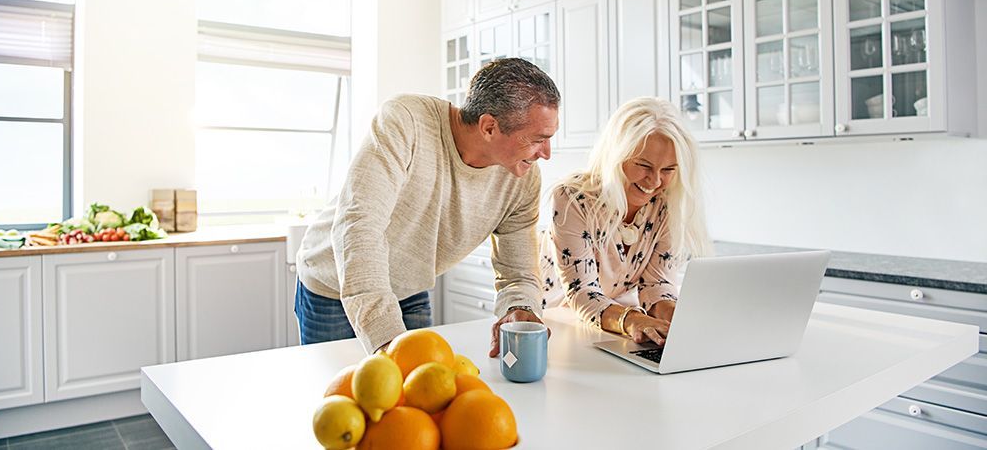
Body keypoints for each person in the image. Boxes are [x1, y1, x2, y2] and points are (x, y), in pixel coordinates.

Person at [295, 58, 560, 356]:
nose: (547, 153)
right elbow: (359, 226)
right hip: (336, 286)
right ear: (489, 127)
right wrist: (388, 341)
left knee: (420, 394)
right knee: (344, 394)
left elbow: (519, 270)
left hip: (409, 288)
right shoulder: (405, 121)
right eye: (539, 140)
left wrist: (520, 307)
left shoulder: (521, 177)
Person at [540, 97, 713, 346]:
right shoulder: (573, 198)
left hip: (614, 326)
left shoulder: (665, 204)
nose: (654, 182)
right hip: (559, 325)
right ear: (616, 157)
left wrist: (678, 319)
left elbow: (657, 285)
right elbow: (583, 293)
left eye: (668, 170)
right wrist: (632, 320)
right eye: (644, 165)